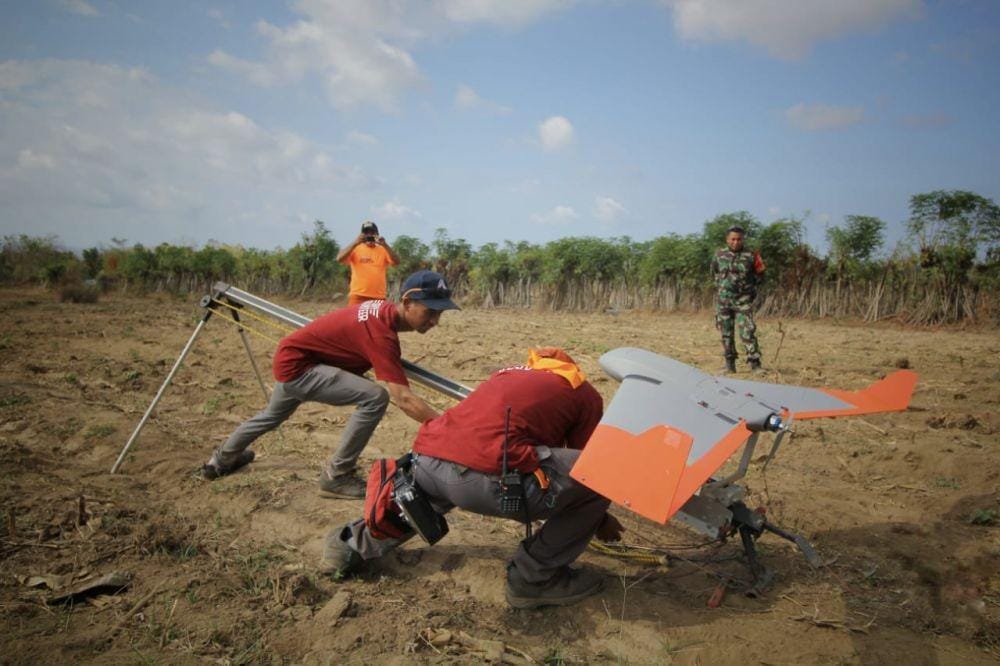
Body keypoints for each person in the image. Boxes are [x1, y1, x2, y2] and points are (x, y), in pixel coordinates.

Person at [321, 348, 625, 609]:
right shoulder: (583, 392)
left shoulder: (506, 376)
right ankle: (535, 578)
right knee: (605, 474)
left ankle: (349, 545)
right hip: (489, 484)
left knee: (418, 501)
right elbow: (587, 468)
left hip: (426, 464)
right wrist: (599, 515)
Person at [201, 270, 460, 498]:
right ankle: (337, 476)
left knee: (270, 416)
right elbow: (403, 398)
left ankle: (219, 461)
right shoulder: (381, 332)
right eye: (430, 312)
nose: (435, 321)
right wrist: (448, 430)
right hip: (302, 368)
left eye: (439, 314)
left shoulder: (380, 312)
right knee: (375, 397)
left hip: (293, 358)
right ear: (406, 302)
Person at [711, 225, 765, 373]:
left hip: (743, 301)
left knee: (747, 331)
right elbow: (714, 273)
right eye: (733, 239)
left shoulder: (752, 255)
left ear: (743, 239)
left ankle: (755, 364)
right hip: (724, 302)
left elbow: (761, 273)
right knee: (726, 332)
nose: (736, 242)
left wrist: (750, 290)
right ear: (727, 240)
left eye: (739, 239)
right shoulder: (719, 255)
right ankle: (729, 365)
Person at [337, 221, 401, 305]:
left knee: (377, 318)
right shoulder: (355, 249)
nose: (369, 235)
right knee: (354, 318)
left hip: (378, 298)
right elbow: (339, 259)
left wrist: (385, 245)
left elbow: (397, 262)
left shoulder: (383, 250)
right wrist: (355, 242)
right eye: (366, 233)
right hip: (357, 296)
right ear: (362, 235)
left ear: (377, 234)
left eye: (372, 233)